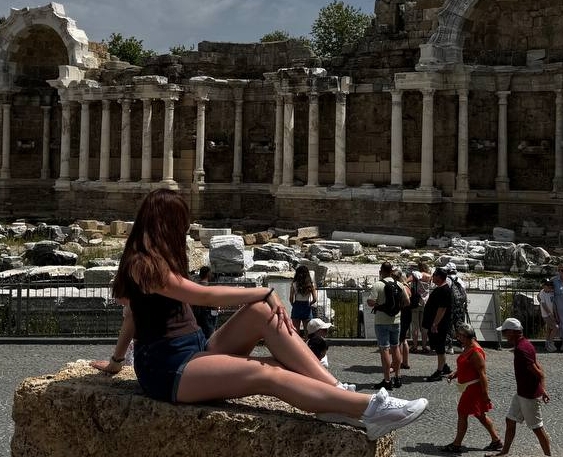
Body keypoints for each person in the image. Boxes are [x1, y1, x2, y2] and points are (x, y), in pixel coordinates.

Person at [89, 189, 427, 441]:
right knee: (268, 372)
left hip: (194, 351)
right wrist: (262, 289)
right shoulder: (143, 265)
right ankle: (368, 409)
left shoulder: (151, 259)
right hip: (169, 369)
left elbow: (131, 318)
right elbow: (203, 295)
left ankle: (339, 395)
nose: (186, 229)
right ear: (167, 223)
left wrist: (117, 362)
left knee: (262, 313)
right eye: (182, 222)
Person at [489, 318, 552, 457]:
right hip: (521, 394)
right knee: (510, 420)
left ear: (512, 332)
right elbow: (539, 367)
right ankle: (504, 452)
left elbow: (538, 372)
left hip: (529, 396)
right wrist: (543, 388)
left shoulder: (521, 349)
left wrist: (542, 390)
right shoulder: (526, 345)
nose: (504, 335)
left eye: (505, 332)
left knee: (537, 428)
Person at [441, 322, 503, 454]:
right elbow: (466, 365)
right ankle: (496, 440)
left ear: (465, 336)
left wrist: (485, 394)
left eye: (460, 336)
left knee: (462, 412)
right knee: (480, 415)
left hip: (473, 389)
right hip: (469, 387)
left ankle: (457, 444)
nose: (458, 338)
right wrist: (455, 374)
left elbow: (482, 374)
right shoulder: (467, 347)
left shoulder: (475, 352)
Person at [367, 262, 403, 390]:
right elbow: (406, 301)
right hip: (396, 320)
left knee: (385, 350)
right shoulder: (399, 284)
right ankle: (398, 377)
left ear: (381, 270)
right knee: (396, 347)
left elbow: (371, 302)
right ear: (392, 271)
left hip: (381, 321)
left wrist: (375, 304)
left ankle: (387, 380)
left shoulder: (378, 285)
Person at [423, 267, 454, 382]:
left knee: (440, 347)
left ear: (439, 277)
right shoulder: (440, 288)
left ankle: (439, 371)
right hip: (435, 323)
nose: (432, 277)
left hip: (439, 324)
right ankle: (444, 366)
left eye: (434, 275)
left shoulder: (444, 290)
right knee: (437, 346)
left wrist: (435, 323)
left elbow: (442, 309)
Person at [409, 262, 432, 354]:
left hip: (416, 302)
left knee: (415, 326)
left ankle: (414, 346)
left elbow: (407, 281)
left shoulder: (416, 275)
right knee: (424, 327)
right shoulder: (429, 276)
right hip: (425, 302)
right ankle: (424, 346)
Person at [393, 268, 413, 370]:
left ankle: (398, 362)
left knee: (399, 340)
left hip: (403, 314)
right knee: (404, 339)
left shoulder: (402, 287)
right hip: (408, 314)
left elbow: (407, 301)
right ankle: (405, 362)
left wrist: (399, 306)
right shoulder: (407, 286)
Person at [192, 266, 219, 339]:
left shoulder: (195, 286)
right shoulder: (209, 287)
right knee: (210, 336)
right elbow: (213, 304)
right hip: (208, 315)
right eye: (211, 273)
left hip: (197, 314)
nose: (212, 275)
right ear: (208, 274)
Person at [289, 265, 317, 335]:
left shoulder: (294, 284)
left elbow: (291, 299)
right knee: (307, 330)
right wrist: (310, 304)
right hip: (306, 305)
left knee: (295, 329)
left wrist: (293, 304)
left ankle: (296, 345)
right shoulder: (310, 285)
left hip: (297, 305)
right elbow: (315, 299)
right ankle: (306, 344)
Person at [538, 278, 560, 353]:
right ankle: (550, 342)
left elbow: (553, 304)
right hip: (546, 314)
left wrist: (555, 314)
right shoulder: (542, 293)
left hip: (551, 313)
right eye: (547, 285)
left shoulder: (551, 293)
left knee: (549, 329)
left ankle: (547, 343)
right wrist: (550, 314)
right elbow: (544, 305)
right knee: (555, 327)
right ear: (544, 286)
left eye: (550, 285)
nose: (549, 287)